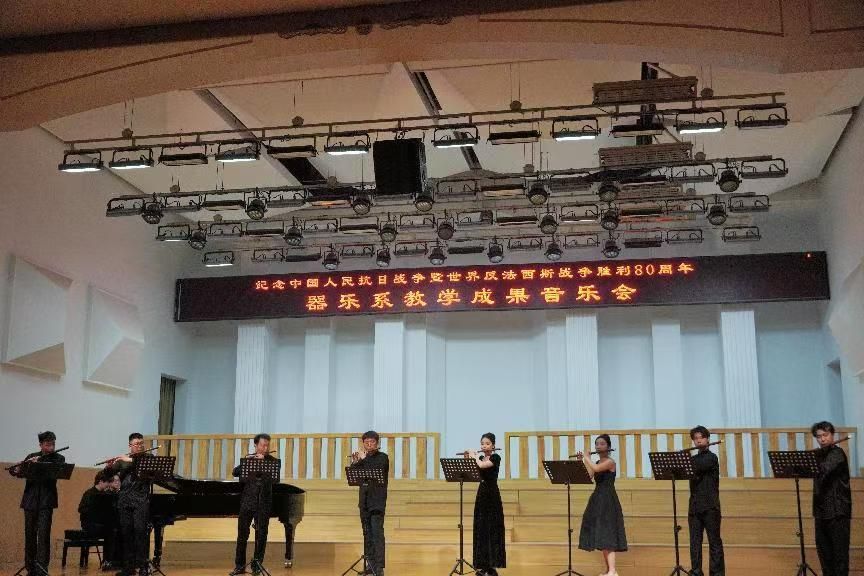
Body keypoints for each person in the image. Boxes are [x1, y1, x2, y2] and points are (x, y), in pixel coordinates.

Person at [8, 431, 65, 576]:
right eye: (48, 445)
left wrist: (38, 465)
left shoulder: (58, 458)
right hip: (30, 501)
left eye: (53, 444)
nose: (51, 448)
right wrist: (20, 468)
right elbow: (16, 472)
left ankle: (42, 569)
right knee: (30, 535)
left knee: (43, 536)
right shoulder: (32, 456)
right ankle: (30, 568)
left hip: (46, 502)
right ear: (41, 445)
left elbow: (55, 472)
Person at [575, 434, 627, 576]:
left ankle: (613, 571)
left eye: (602, 444)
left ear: (608, 446)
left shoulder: (610, 462)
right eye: (597, 444)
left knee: (608, 535)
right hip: (597, 499)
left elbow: (597, 469)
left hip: (608, 499)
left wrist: (587, 457)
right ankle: (609, 570)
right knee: (602, 535)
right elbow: (590, 475)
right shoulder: (597, 462)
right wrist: (582, 461)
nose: (598, 446)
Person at [107, 432, 154, 576]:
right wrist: (109, 467)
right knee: (126, 534)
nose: (140, 446)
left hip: (141, 501)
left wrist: (129, 460)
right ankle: (129, 567)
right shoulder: (122, 461)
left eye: (141, 443)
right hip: (125, 500)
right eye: (136, 444)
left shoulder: (148, 458)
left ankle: (143, 567)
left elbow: (146, 469)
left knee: (140, 532)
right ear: (130, 445)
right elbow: (108, 474)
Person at [231, 433, 278, 575]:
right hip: (248, 502)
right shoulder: (249, 459)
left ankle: (257, 565)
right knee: (242, 534)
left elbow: (275, 479)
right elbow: (235, 472)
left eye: (267, 445)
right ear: (256, 445)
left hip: (264, 503)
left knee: (261, 535)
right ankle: (239, 566)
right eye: (263, 445)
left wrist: (263, 463)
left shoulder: (272, 462)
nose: (265, 448)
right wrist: (247, 461)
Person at [811, 421, 851, 576]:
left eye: (825, 435)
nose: (822, 439)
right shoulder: (818, 455)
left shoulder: (837, 453)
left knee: (839, 555)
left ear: (832, 435)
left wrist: (810, 459)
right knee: (824, 553)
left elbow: (824, 469)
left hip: (837, 510)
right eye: (819, 436)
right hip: (820, 510)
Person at [464, 433, 506, 576]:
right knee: (481, 529)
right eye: (482, 443)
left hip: (492, 495)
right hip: (481, 494)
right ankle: (482, 565)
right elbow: (473, 470)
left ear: (493, 445)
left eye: (487, 443)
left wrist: (475, 456)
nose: (484, 446)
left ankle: (491, 566)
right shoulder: (481, 457)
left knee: (492, 529)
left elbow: (482, 465)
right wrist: (468, 457)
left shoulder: (496, 457)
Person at [349, 431, 390, 576]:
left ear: (377, 443)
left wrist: (363, 459)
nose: (369, 444)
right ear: (363, 444)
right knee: (366, 534)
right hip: (364, 501)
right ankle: (370, 565)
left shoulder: (383, 457)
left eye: (372, 442)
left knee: (377, 534)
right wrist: (355, 462)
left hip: (377, 502)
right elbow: (352, 475)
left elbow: (376, 469)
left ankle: (379, 568)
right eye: (366, 442)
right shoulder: (362, 459)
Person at [687, 426, 724, 576]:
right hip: (695, 506)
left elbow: (698, 467)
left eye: (701, 437)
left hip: (710, 506)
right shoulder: (692, 460)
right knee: (695, 542)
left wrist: (684, 460)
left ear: (707, 439)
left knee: (714, 542)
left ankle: (716, 574)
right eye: (695, 438)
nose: (698, 441)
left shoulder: (712, 458)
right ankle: (696, 572)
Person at [78, 470, 120, 570]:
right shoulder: (89, 493)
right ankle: (107, 561)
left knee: (113, 530)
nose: (108, 485)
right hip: (89, 525)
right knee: (110, 531)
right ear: (100, 481)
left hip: (100, 524)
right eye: (107, 482)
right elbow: (81, 509)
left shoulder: (105, 494)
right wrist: (94, 510)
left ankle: (109, 561)